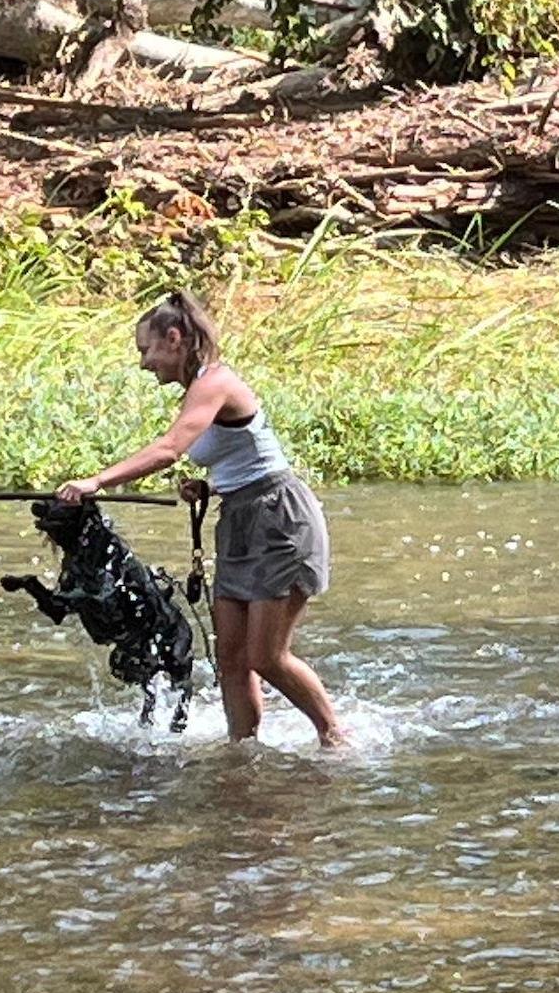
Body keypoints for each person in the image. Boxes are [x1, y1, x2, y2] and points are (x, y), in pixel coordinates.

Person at [57, 289, 344, 748]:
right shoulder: (198, 389)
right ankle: (242, 750)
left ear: (174, 339)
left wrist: (97, 481)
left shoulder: (215, 382)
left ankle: (334, 737)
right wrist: (211, 486)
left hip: (279, 520)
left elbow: (169, 449)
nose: (144, 363)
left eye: (146, 350)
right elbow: (247, 457)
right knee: (231, 658)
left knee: (267, 656)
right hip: (239, 518)